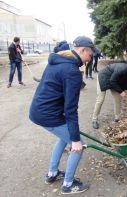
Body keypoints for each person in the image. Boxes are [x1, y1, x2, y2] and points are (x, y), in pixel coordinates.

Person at [29, 36, 97, 194]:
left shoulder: (59, 60)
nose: (90, 58)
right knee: (80, 144)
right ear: (82, 50)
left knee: (63, 137)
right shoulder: (71, 71)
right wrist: (75, 140)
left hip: (40, 110)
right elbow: (71, 109)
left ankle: (52, 174)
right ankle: (68, 184)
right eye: (90, 54)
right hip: (48, 114)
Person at [92, 61, 127, 129]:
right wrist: (121, 91)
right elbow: (112, 81)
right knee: (100, 99)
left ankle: (117, 118)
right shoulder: (122, 69)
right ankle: (94, 119)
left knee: (118, 99)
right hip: (104, 77)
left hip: (114, 81)